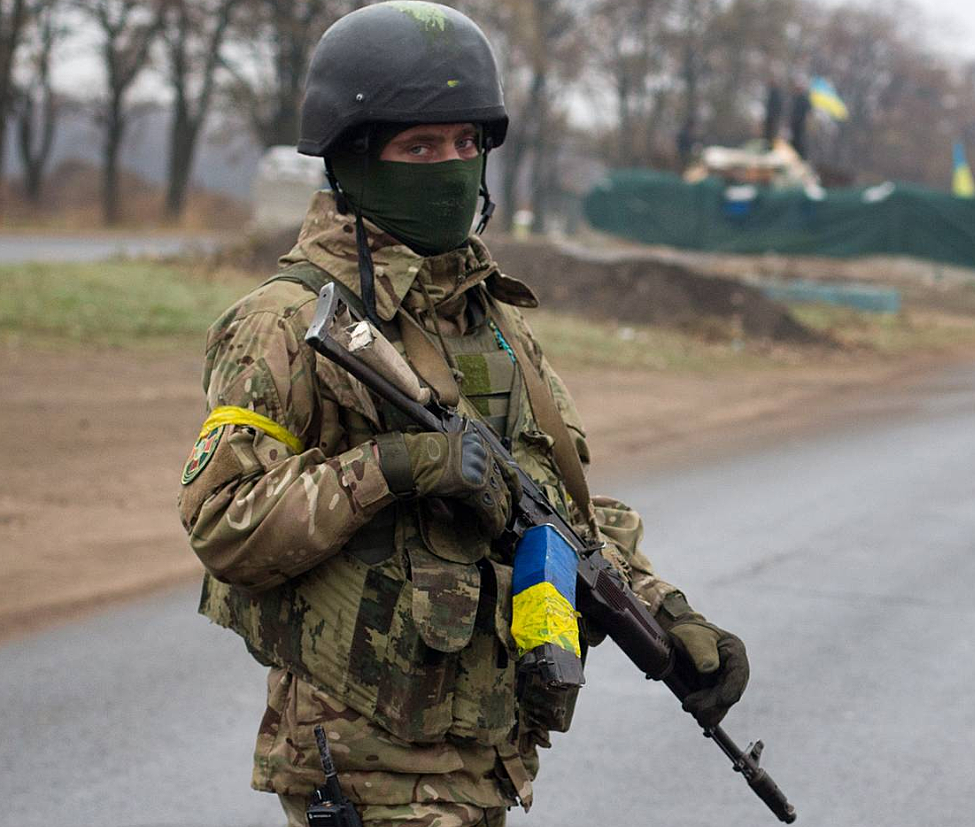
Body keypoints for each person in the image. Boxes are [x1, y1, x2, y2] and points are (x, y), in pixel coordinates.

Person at [176, 4, 749, 826]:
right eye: (418, 147)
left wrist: (666, 612)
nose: (449, 166)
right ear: (354, 157)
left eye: (464, 144)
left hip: (484, 751)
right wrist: (394, 468)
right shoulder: (284, 320)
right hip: (365, 756)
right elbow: (223, 521)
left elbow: (562, 512)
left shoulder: (494, 322)